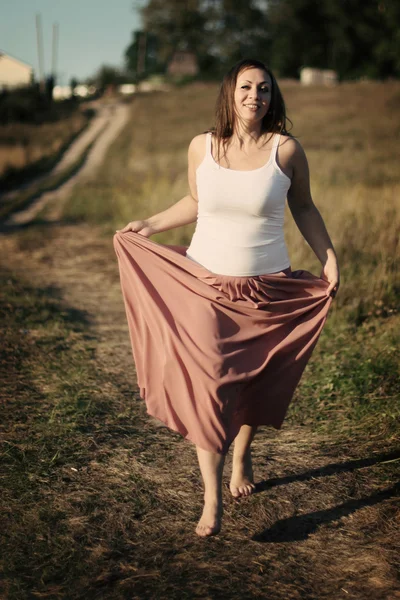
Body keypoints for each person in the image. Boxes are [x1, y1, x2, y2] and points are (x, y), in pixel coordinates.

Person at [113, 58, 340, 538]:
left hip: (266, 287)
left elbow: (303, 205)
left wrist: (329, 255)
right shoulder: (203, 147)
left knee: (254, 382)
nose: (254, 95)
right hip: (205, 286)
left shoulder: (287, 150)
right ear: (230, 93)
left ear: (272, 96)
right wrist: (150, 224)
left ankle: (242, 453)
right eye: (245, 87)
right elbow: (196, 202)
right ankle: (211, 500)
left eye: (263, 88)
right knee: (212, 385)